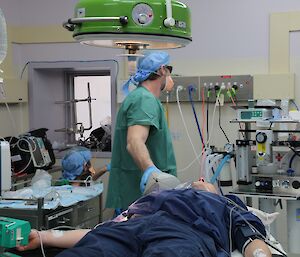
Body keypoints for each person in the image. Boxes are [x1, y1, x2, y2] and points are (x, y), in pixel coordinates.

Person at [16, 181, 272, 257]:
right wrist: (45, 236)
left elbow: (252, 239)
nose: (201, 180)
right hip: (131, 225)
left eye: (207, 181)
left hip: (185, 231)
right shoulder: (159, 196)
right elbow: (97, 231)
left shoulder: (223, 203)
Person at [106, 51, 177, 210]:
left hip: (147, 197)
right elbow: (134, 141)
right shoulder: (144, 99)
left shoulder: (143, 98)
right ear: (161, 70)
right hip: (143, 197)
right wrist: (152, 173)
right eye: (169, 70)